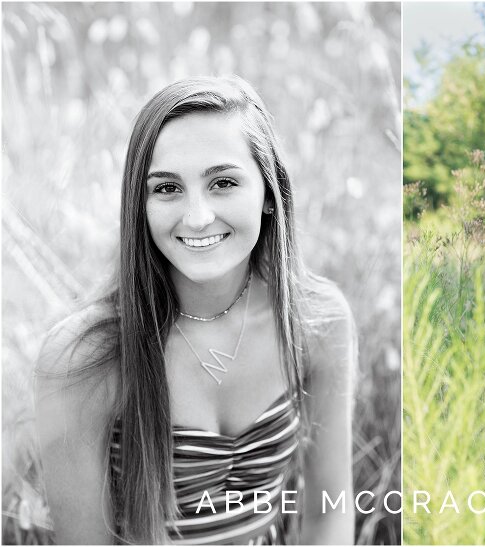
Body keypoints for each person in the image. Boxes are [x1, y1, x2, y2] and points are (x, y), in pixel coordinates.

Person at [34, 76, 356, 545]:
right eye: (167, 189)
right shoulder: (82, 359)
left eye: (223, 182)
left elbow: (329, 511)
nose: (198, 216)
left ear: (268, 192)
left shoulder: (316, 319)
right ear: (139, 205)